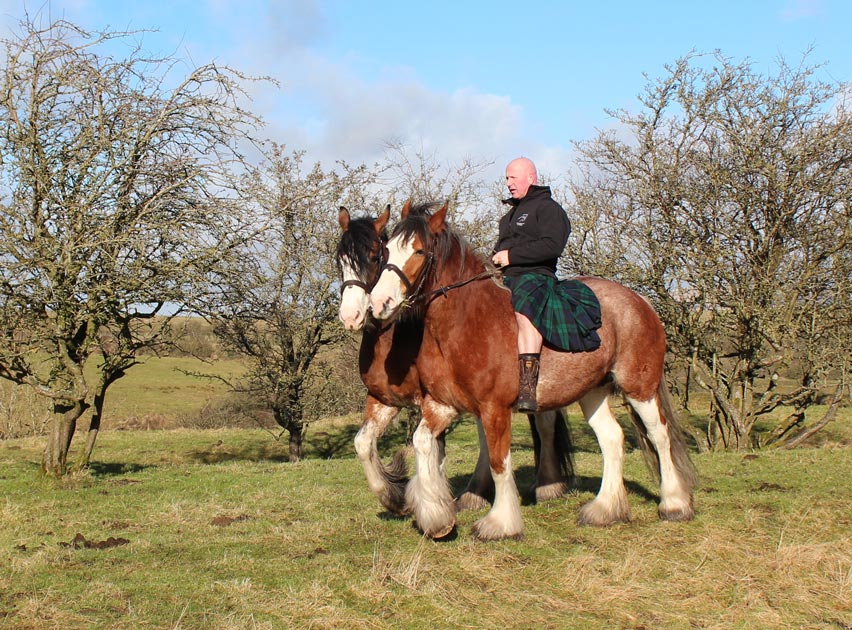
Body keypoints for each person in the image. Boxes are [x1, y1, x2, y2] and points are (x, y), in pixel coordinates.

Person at [492, 157, 600, 411]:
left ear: (531, 177)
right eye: (506, 178)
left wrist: (511, 256)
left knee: (524, 311)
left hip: (535, 277)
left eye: (513, 178)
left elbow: (553, 245)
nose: (508, 183)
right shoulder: (508, 217)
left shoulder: (548, 209)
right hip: (506, 277)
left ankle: (528, 389)